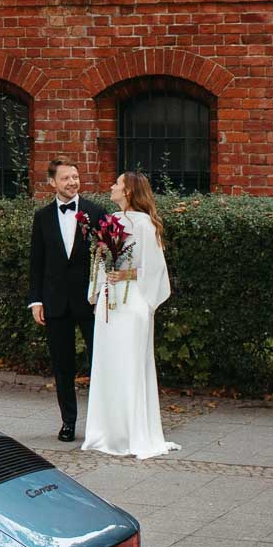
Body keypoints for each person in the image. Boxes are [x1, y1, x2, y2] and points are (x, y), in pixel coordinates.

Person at [81, 170, 179, 459]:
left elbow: (155, 269)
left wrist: (125, 274)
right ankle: (107, 431)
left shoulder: (146, 226)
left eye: (117, 184)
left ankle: (132, 433)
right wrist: (99, 274)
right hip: (110, 303)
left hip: (132, 301)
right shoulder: (110, 221)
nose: (111, 186)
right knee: (108, 363)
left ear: (128, 191)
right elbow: (101, 257)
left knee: (130, 365)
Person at [28, 157, 103, 442]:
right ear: (52, 183)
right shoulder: (42, 217)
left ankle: (101, 423)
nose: (72, 182)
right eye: (65, 178)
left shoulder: (96, 213)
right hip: (55, 302)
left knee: (100, 361)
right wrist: (36, 300)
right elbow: (37, 262)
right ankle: (68, 422)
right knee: (63, 366)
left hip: (90, 302)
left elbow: (107, 257)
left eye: (75, 177)